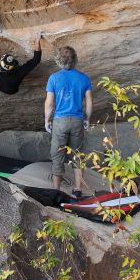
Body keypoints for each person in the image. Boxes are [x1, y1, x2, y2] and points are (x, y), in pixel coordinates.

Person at [44, 46, 92, 199]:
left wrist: (47, 120)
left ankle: (56, 191)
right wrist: (87, 119)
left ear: (59, 61)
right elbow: (89, 102)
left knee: (57, 155)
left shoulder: (54, 78)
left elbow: (49, 103)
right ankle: (78, 190)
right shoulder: (84, 78)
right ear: (75, 59)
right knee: (78, 155)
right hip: (77, 120)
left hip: (60, 121)